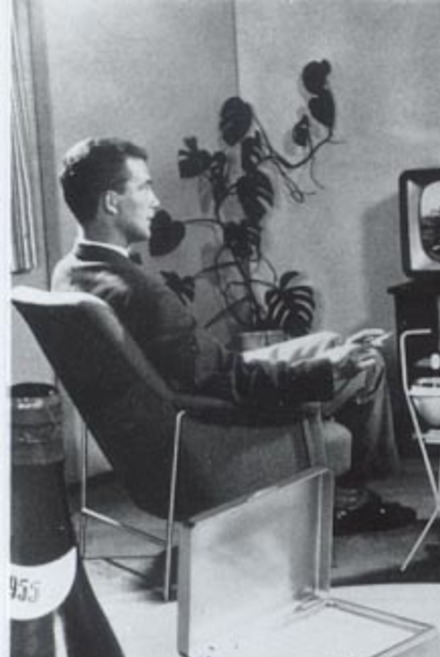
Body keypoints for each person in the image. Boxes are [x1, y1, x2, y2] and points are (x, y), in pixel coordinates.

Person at [52, 137, 415, 535]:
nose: (156, 201)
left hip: (164, 432)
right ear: (111, 202)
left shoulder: (70, 274)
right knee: (368, 364)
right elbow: (225, 380)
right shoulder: (139, 292)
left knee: (330, 341)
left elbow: (202, 367)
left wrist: (326, 356)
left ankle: (337, 495)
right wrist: (325, 371)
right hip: (210, 428)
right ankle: (349, 500)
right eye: (144, 187)